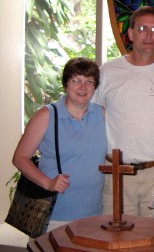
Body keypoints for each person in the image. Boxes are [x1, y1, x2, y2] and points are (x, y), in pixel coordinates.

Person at [92, 6, 154, 217]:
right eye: (143, 28)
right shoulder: (107, 72)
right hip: (116, 174)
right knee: (116, 240)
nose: (148, 35)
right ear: (131, 33)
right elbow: (92, 116)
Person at [12, 57, 107, 231]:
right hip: (55, 215)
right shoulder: (47, 115)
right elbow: (20, 158)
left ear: (95, 87)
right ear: (65, 84)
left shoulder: (101, 114)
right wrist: (48, 183)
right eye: (76, 80)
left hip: (94, 214)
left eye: (89, 81)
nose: (82, 87)